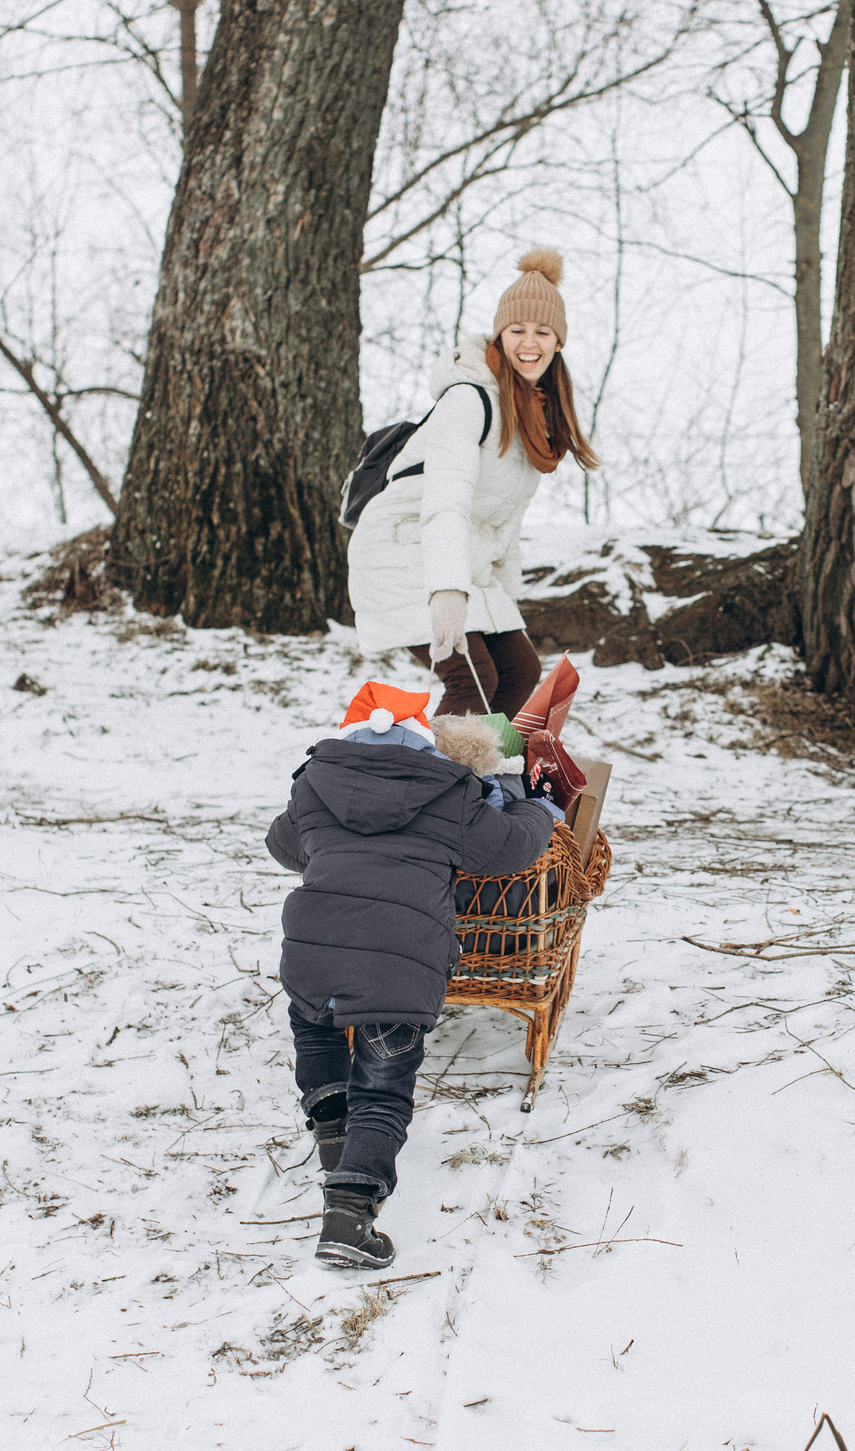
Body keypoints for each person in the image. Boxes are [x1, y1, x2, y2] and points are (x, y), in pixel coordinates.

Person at [265, 681, 558, 1270]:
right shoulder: (449, 791)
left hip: (313, 951)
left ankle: (331, 1128)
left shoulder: (315, 785)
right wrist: (534, 805)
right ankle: (349, 1216)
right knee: (382, 1088)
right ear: (426, 744)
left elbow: (282, 846)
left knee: (315, 1028)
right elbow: (508, 850)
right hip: (398, 964)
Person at [348, 247, 600, 717]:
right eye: (517, 330)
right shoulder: (468, 401)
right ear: (500, 334)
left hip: (458, 557)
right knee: (473, 681)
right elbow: (446, 504)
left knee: (520, 671)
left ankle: (477, 783)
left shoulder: (532, 421)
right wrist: (447, 591)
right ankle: (430, 788)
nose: (530, 342)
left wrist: (505, 608)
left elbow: (503, 529)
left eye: (543, 332)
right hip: (404, 548)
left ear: (558, 342)